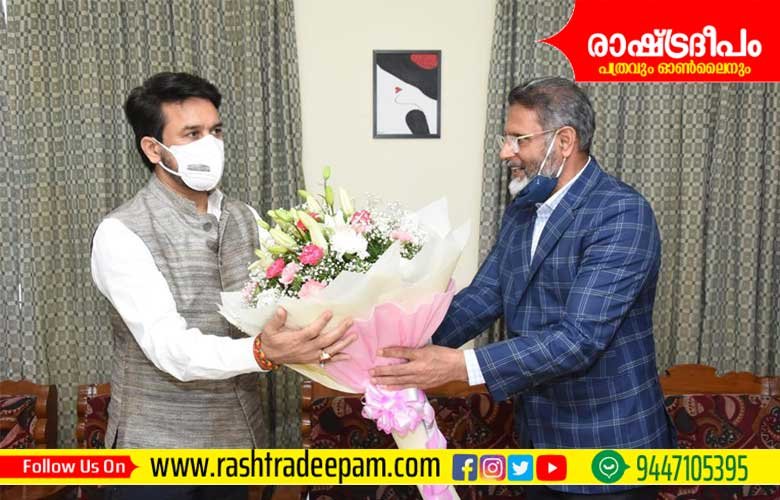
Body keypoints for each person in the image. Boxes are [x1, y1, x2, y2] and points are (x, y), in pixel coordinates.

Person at [370, 77, 675, 499]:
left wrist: (458, 366)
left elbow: (579, 339)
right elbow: (484, 296)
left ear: (564, 141)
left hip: (610, 449)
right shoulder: (524, 209)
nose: (505, 152)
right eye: (506, 138)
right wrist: (394, 346)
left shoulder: (621, 214)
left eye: (519, 139)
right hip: (538, 446)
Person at [91, 72, 354, 500]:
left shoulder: (245, 217)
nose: (210, 144)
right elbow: (169, 348)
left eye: (216, 131)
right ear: (153, 149)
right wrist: (263, 352)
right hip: (154, 456)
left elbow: (285, 301)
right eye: (192, 134)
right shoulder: (122, 232)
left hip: (236, 447)